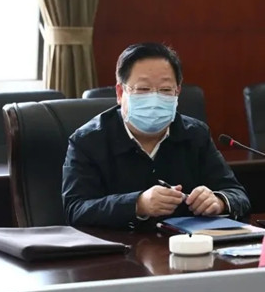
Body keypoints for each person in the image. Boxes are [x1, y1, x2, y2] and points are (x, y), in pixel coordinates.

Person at [62, 42, 251, 229]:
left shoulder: (195, 134)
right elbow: (75, 209)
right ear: (120, 93)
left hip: (185, 244)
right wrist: (138, 204)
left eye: (165, 90)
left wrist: (219, 201)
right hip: (118, 246)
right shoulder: (87, 141)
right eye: (143, 89)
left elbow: (237, 194)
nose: (154, 99)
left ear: (177, 92)